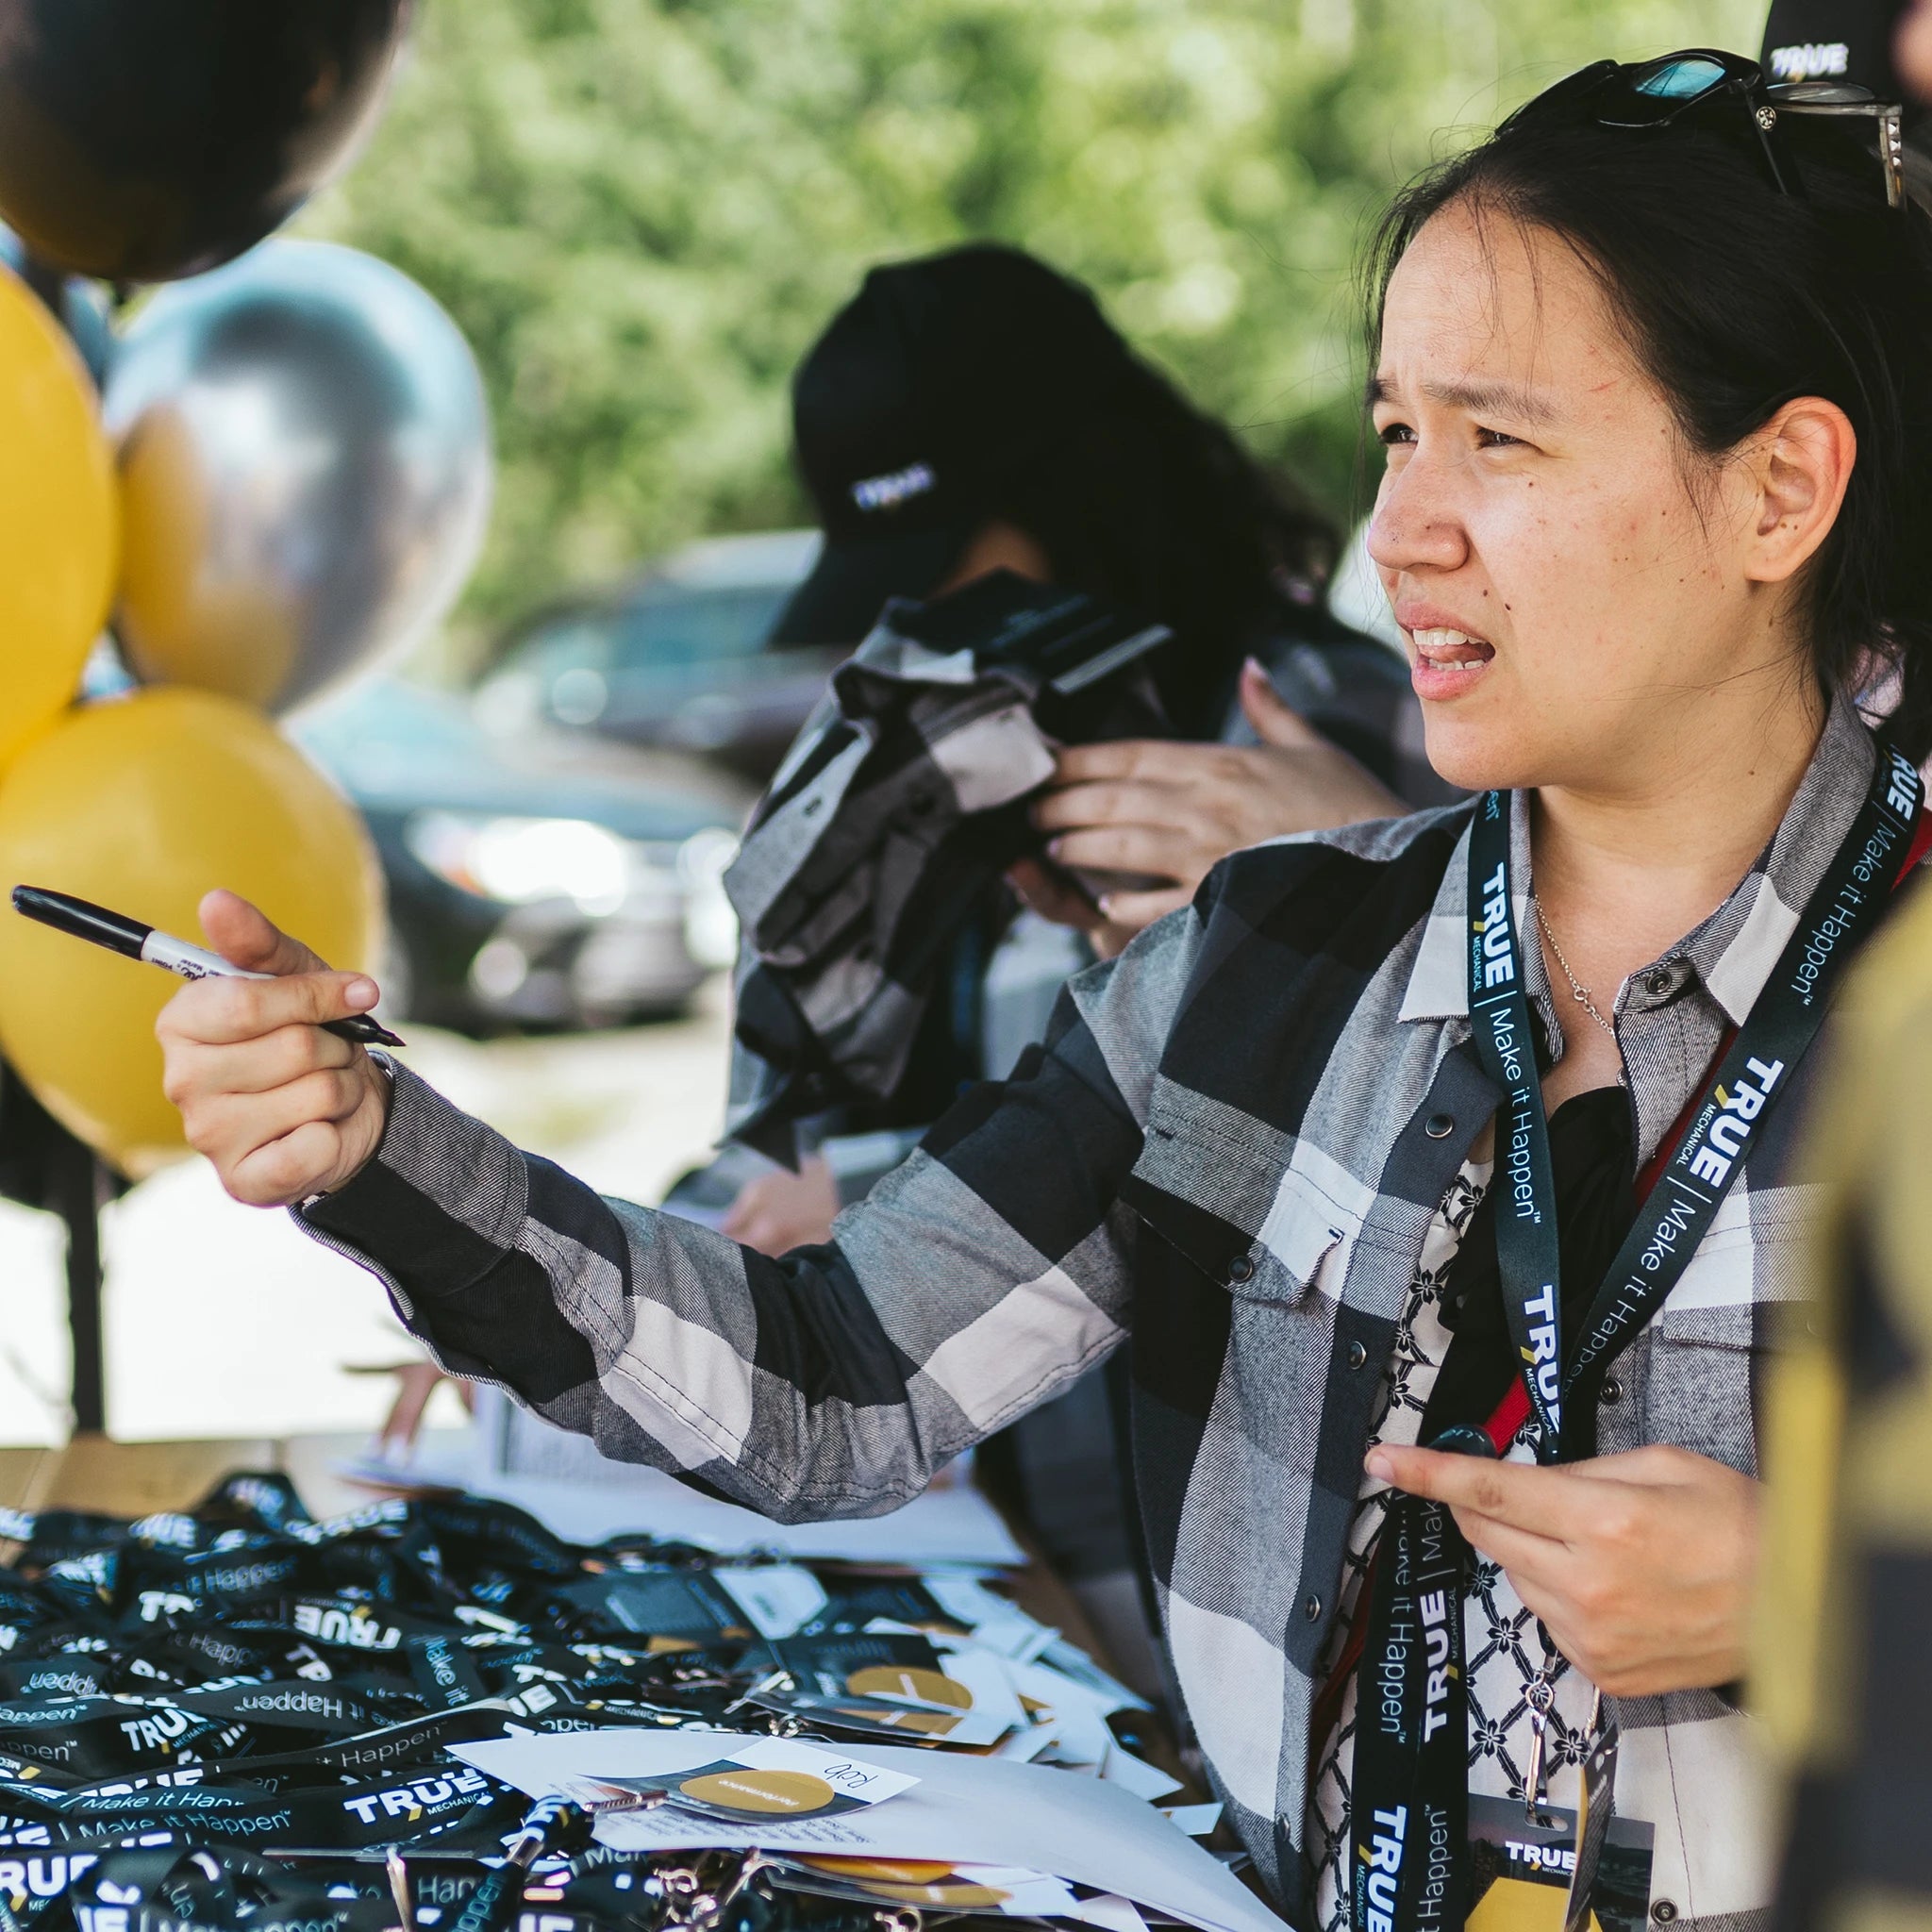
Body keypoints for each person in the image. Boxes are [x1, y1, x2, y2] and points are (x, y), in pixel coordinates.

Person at [157, 47, 1932, 1929]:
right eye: (1396, 432)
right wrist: (373, 1146)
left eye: (1501, 440)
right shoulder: (1269, 961)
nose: (1405, 525)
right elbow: (831, 1383)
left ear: (1776, 491)